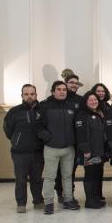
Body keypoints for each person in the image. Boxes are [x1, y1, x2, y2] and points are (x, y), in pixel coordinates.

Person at [36, 81, 80, 214]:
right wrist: (48, 138)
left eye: (64, 90)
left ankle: (68, 199)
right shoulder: (45, 106)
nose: (62, 92)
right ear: (53, 91)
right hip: (51, 148)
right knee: (50, 177)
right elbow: (38, 126)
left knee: (67, 176)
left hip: (69, 148)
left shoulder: (71, 106)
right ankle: (48, 203)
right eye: (59, 89)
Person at [3, 84, 44, 213]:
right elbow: (7, 130)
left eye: (32, 94)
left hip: (38, 152)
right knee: (20, 180)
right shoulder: (14, 111)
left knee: (37, 179)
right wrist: (17, 140)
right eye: (26, 94)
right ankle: (21, 204)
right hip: (19, 153)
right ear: (22, 96)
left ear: (36, 95)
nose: (29, 96)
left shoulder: (42, 110)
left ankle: (38, 201)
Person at [76, 91, 107, 209]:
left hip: (98, 151)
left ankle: (95, 198)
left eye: (95, 100)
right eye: (91, 100)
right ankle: (89, 201)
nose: (94, 102)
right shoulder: (82, 115)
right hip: (89, 152)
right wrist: (86, 150)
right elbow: (82, 134)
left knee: (96, 175)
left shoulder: (96, 113)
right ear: (85, 102)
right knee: (90, 175)